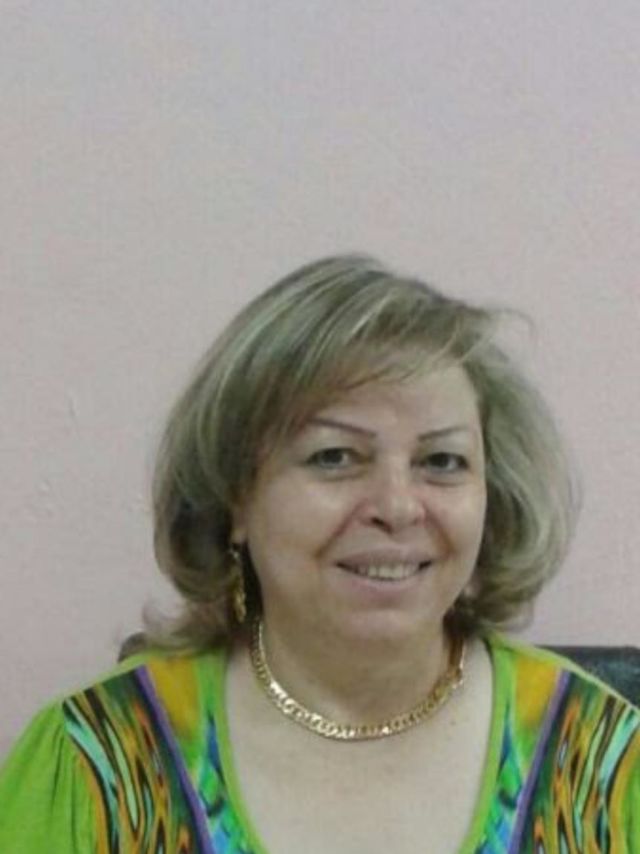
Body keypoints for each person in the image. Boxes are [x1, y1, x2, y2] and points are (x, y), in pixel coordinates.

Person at [1, 255, 638, 853]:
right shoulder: (97, 762)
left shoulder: (604, 762)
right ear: (236, 498)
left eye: (442, 461)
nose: (397, 506)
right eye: (335, 457)